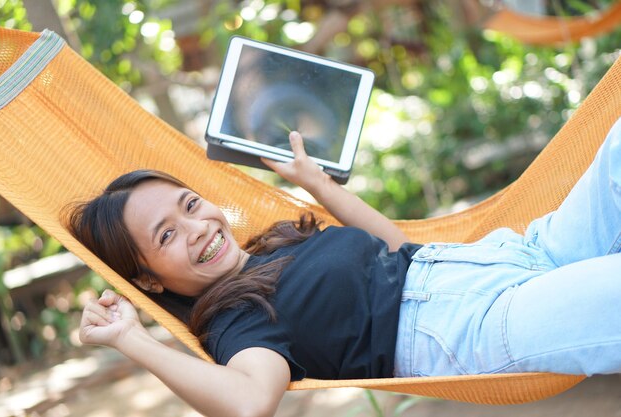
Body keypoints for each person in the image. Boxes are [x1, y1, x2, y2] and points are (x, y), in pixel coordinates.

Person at [67, 119, 621, 417]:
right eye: (167, 235)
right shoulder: (237, 320)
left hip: (510, 254)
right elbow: (248, 403)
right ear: (148, 280)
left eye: (189, 205)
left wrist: (316, 184)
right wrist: (130, 339)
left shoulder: (268, 251)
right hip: (483, 325)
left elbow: (398, 248)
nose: (198, 228)